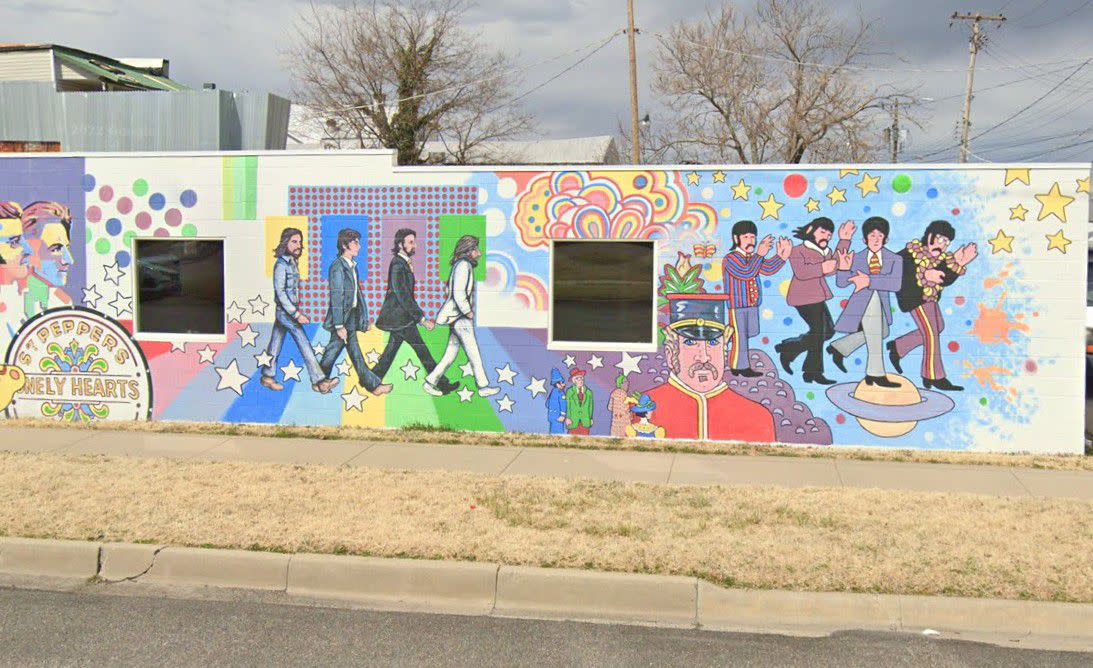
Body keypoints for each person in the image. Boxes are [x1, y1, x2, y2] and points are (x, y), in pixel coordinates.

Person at [643, 294, 775, 441]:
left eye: (713, 343)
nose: (704, 357)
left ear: (724, 350)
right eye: (690, 342)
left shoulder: (758, 418)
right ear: (670, 354)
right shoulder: (643, 409)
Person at [888, 220, 978, 391]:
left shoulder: (940, 258)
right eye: (940, 239)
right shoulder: (908, 254)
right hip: (914, 298)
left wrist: (960, 263)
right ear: (929, 236)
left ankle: (899, 346)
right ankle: (933, 376)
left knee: (938, 327)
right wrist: (923, 275)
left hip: (930, 298)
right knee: (930, 333)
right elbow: (899, 275)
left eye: (946, 242)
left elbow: (944, 279)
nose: (942, 245)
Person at [371, 228, 458, 395]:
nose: (414, 245)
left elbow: (405, 295)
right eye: (410, 242)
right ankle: (441, 383)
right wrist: (422, 319)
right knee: (422, 350)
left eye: (414, 242)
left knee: (391, 353)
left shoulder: (403, 263)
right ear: (400, 244)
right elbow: (402, 295)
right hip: (400, 319)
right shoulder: (397, 264)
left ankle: (371, 379)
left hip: (401, 319)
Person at [827, 217, 904, 387]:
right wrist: (844, 268)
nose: (876, 239)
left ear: (886, 239)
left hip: (882, 305)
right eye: (872, 236)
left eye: (880, 236)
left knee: (882, 332)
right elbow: (841, 283)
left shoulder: (895, 259)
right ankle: (875, 374)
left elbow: (895, 284)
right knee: (876, 333)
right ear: (864, 239)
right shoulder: (857, 257)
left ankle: (840, 347)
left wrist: (869, 280)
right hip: (861, 304)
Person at [775, 217, 853, 384]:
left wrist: (844, 240)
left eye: (829, 234)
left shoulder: (824, 251)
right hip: (802, 298)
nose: (827, 236)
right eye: (822, 232)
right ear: (811, 231)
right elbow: (802, 272)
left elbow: (834, 265)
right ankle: (812, 373)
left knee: (829, 331)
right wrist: (822, 268)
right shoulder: (798, 251)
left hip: (818, 297)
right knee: (818, 334)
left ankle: (789, 348)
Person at [260, 228, 337, 394]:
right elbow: (280, 293)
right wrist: (296, 314)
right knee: (303, 342)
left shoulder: (292, 263)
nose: (298, 245)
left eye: (300, 242)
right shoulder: (281, 265)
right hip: (286, 312)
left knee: (276, 341)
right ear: (285, 242)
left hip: (288, 310)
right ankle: (319, 381)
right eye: (294, 242)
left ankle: (267, 376)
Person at [318, 228, 392, 396]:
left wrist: (363, 321)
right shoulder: (338, 267)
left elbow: (357, 298)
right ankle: (320, 381)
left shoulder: (352, 267)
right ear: (345, 245)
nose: (359, 246)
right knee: (335, 350)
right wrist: (338, 325)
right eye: (355, 242)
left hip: (350, 316)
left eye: (359, 242)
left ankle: (320, 381)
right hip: (341, 318)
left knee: (350, 351)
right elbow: (336, 296)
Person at [423, 235, 499, 397]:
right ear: (468, 251)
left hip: (456, 316)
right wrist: (467, 311)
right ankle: (483, 387)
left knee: (450, 353)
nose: (479, 252)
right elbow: (458, 293)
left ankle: (430, 381)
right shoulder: (463, 266)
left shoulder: (461, 266)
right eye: (475, 249)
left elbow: (449, 291)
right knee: (473, 351)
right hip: (460, 317)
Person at [721, 220, 792, 377]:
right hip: (738, 305)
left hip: (752, 304)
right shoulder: (731, 258)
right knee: (740, 336)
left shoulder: (753, 258)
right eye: (746, 237)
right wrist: (759, 254)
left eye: (753, 237)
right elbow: (745, 273)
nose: (751, 241)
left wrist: (781, 257)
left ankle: (740, 363)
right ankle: (739, 366)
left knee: (750, 332)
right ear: (736, 239)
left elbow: (767, 268)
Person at [20, 201, 73, 315]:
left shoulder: (62, 303)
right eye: (56, 249)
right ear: (27, 251)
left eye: (67, 248)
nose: (69, 260)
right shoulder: (8, 304)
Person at [565, 367, 594, 435]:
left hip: (585, 421)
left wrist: (590, 418)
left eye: (581, 378)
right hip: (573, 421)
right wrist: (568, 418)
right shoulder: (570, 392)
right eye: (578, 379)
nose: (580, 380)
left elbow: (590, 407)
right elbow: (567, 406)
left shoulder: (588, 392)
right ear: (574, 381)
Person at [606, 373, 631, 438]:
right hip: (624, 422)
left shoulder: (613, 393)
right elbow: (626, 409)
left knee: (615, 439)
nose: (627, 383)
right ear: (620, 384)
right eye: (625, 382)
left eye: (627, 382)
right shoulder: (624, 394)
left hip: (615, 423)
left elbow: (609, 408)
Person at [546, 368, 567, 435]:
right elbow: (563, 404)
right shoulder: (560, 393)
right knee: (556, 433)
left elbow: (547, 404)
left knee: (555, 433)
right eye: (562, 382)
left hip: (554, 416)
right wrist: (562, 415)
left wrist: (562, 415)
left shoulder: (554, 392)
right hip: (557, 416)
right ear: (558, 384)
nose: (564, 384)